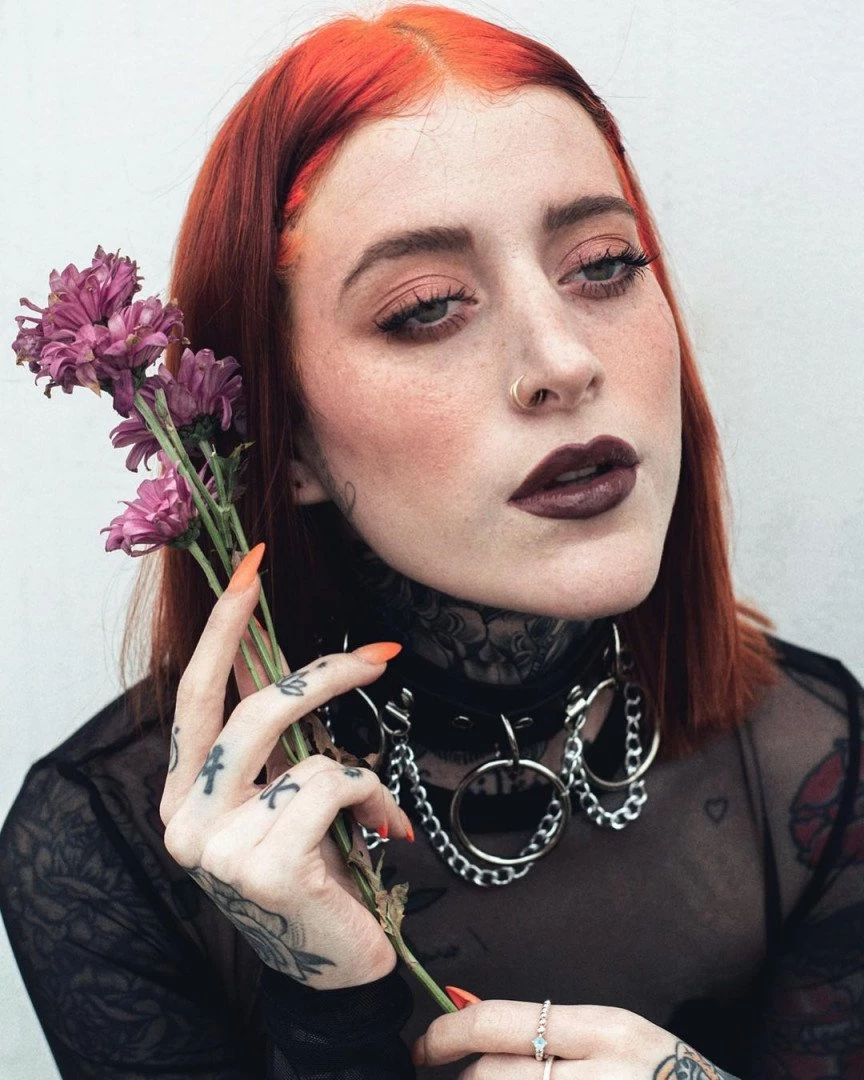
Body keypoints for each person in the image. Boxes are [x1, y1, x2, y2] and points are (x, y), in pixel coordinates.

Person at [2, 5, 862, 1078]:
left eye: (602, 264)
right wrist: (329, 1014)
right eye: (425, 308)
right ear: (284, 439)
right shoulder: (104, 844)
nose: (563, 361)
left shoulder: (814, 761)